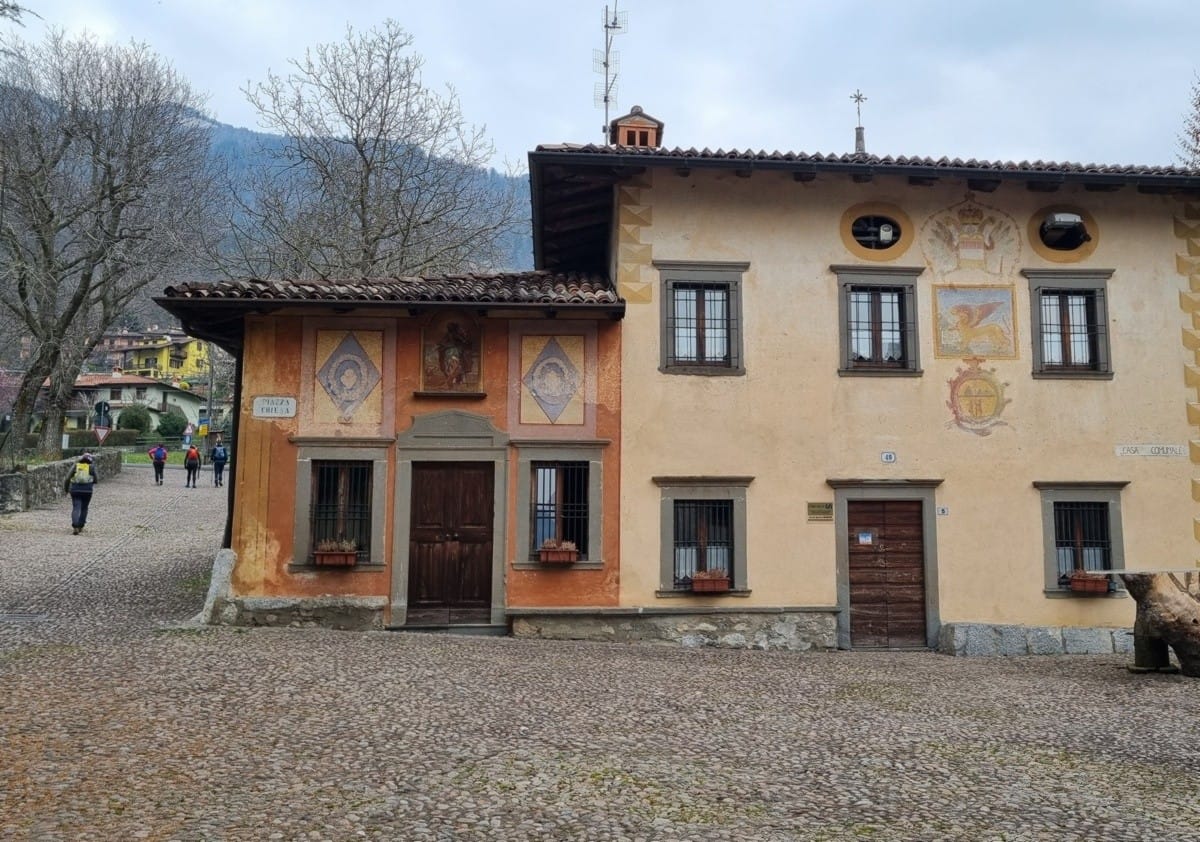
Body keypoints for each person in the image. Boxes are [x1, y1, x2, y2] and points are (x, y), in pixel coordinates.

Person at [63, 452, 98, 534]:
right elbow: (96, 480)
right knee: (84, 508)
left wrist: (66, 489)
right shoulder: (91, 467)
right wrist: (90, 482)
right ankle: (80, 526)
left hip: (75, 489)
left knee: (76, 507)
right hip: (87, 490)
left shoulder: (76, 466)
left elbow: (67, 478)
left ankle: (75, 526)